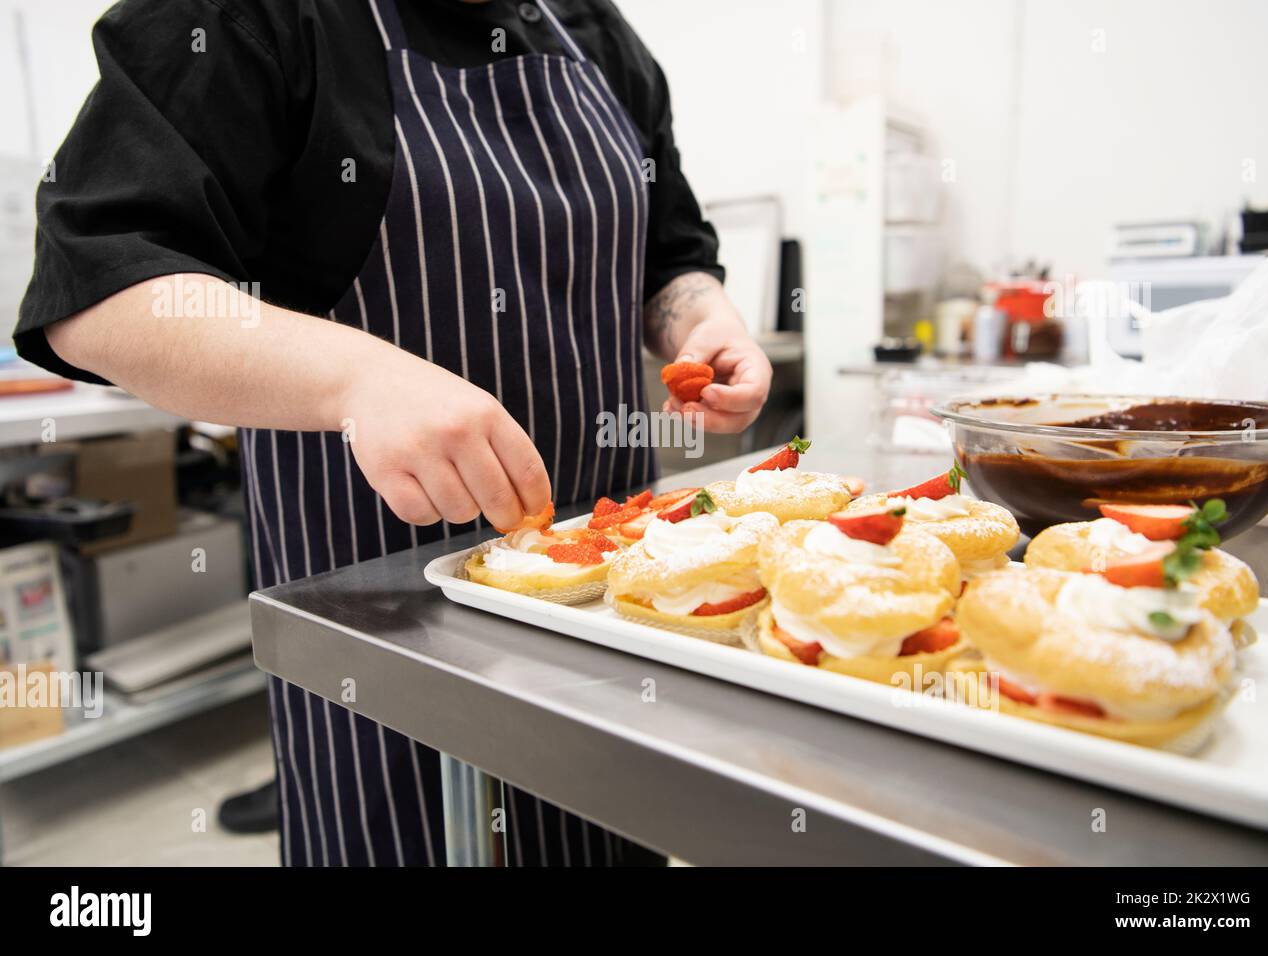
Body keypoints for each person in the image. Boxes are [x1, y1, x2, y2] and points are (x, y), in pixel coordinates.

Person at [15, 0, 771, 865]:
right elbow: (99, 293)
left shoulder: (593, 33)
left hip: (611, 610)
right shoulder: (246, 19)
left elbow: (670, 254)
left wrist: (700, 319)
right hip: (383, 629)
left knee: (607, 832)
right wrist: (358, 379)